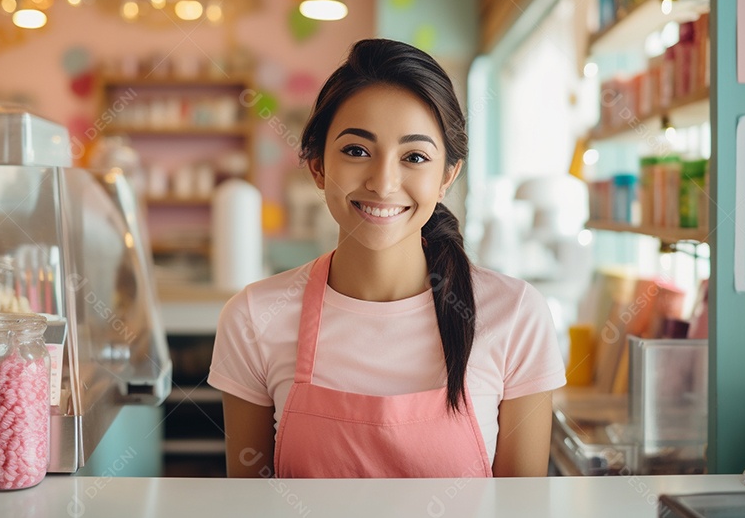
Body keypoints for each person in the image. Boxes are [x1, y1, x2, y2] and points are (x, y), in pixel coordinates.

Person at [208, 38, 566, 478]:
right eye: (357, 151)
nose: (383, 182)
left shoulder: (515, 315)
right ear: (318, 166)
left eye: (414, 157)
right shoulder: (253, 317)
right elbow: (249, 506)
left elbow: (520, 510)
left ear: (446, 178)